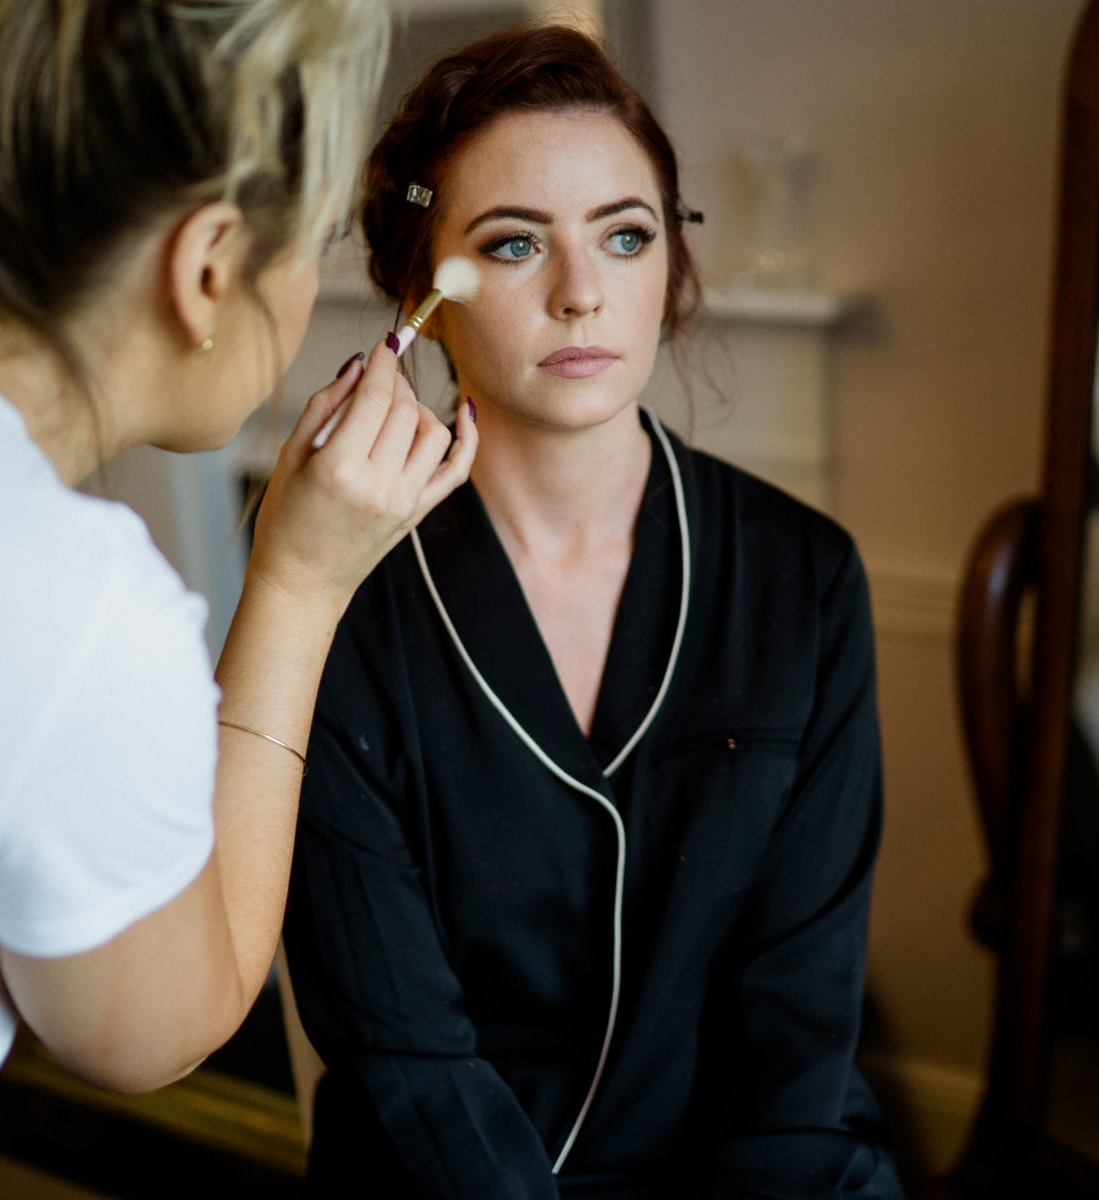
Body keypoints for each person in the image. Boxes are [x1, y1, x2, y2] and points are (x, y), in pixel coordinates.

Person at [0, 2, 474, 1197]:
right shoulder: (48, 592)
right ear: (204, 270)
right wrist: (296, 586)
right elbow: (150, 1031)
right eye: (303, 245)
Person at [281, 25, 902, 1200]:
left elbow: (800, 1030)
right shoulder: (342, 602)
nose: (581, 292)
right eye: (514, 245)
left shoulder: (803, 579)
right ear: (419, 291)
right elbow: (408, 1060)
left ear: (670, 266)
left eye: (625, 235)